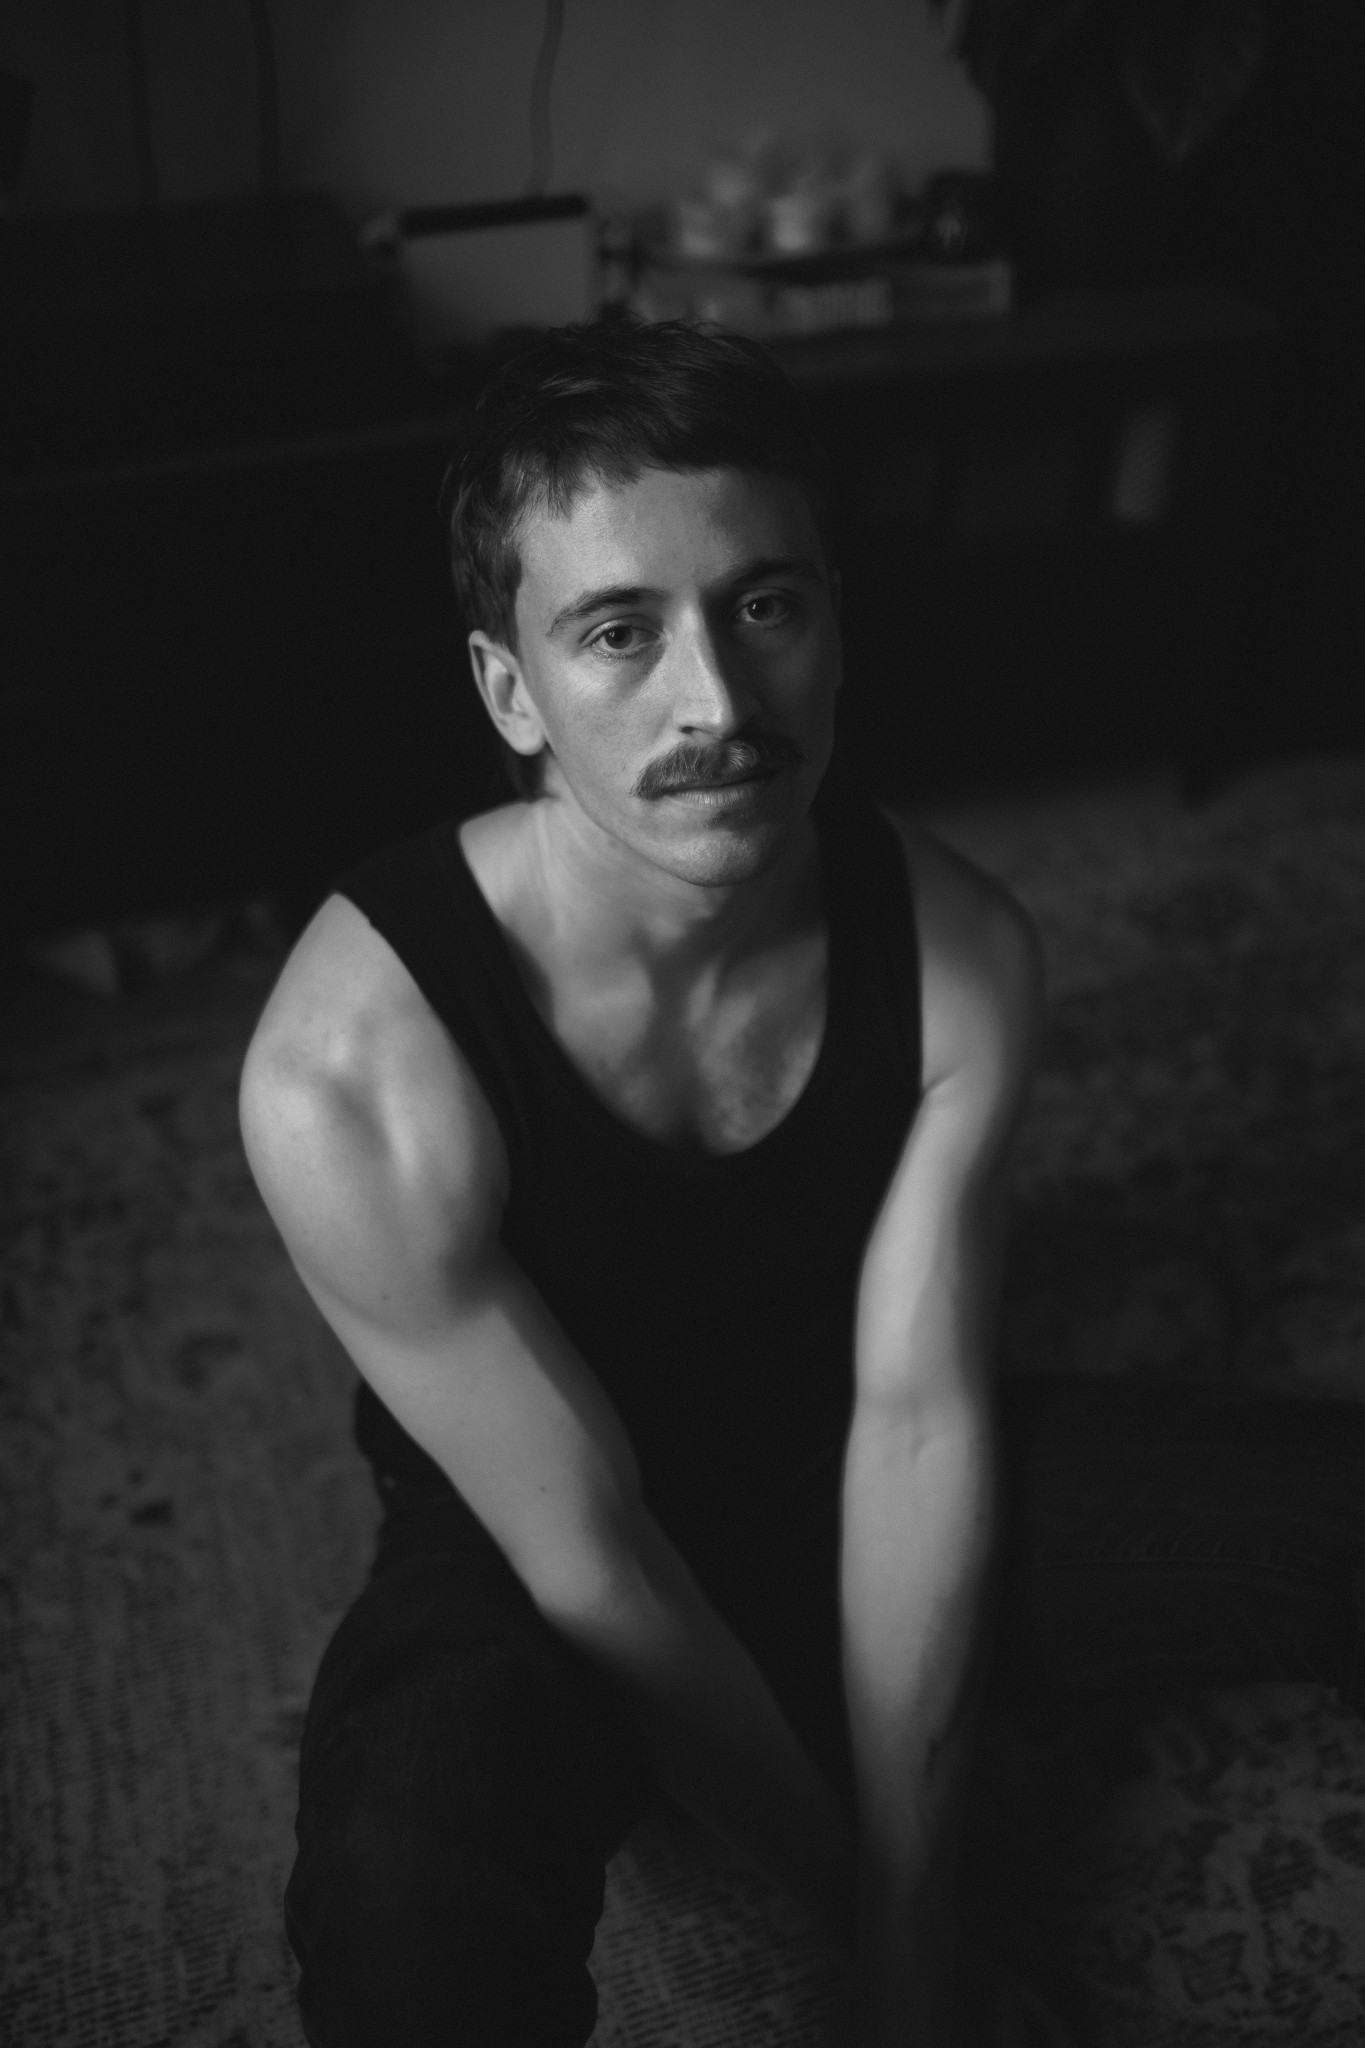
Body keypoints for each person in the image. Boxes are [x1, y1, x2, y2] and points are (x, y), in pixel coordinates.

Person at [238, 319, 1365, 2048]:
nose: (715, 702)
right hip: (528, 1541)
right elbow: (595, 1549)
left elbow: (917, 1419)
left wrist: (913, 1934)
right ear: (510, 691)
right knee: (407, 1892)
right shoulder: (349, 1066)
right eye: (618, 631)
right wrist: (862, 1920)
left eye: (763, 603)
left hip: (849, 1440)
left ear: (836, 618)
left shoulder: (960, 950)